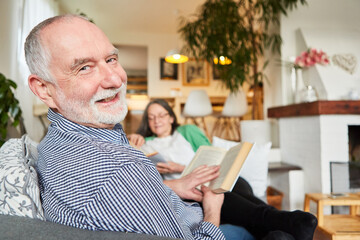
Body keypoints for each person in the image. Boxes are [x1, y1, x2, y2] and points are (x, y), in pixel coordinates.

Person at [24, 14, 255, 240]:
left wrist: (170, 187)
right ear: (43, 89)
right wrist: (213, 209)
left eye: (111, 59)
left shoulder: (53, 144)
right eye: (84, 67)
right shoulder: (120, 169)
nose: (115, 80)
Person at [128, 99, 318, 240]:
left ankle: (285, 225)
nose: (157, 121)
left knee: (233, 191)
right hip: (193, 192)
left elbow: (213, 156)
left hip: (217, 177)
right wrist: (133, 141)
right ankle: (285, 228)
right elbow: (142, 175)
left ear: (171, 117)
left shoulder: (187, 131)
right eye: (151, 117)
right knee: (224, 199)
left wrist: (181, 167)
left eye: (161, 115)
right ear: (147, 122)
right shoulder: (146, 144)